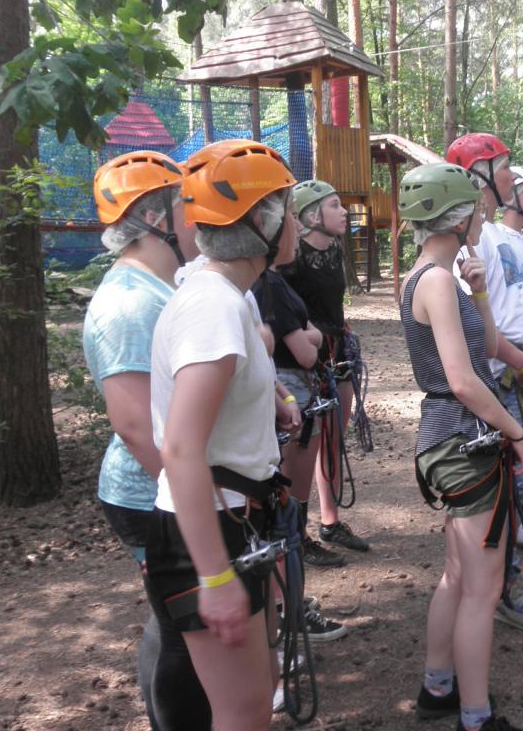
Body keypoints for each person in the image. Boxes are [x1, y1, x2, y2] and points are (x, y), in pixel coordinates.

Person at [144, 139, 297, 731]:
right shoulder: (213, 306)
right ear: (262, 221)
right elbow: (180, 447)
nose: (296, 222)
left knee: (252, 702)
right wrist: (214, 575)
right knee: (243, 713)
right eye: (288, 209)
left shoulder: (224, 297)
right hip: (210, 531)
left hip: (229, 519)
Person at [398, 162, 523, 731]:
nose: (482, 216)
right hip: (463, 439)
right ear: (455, 218)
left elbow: (487, 346)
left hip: (449, 438)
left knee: (457, 575)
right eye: (475, 209)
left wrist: (479, 291)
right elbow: (463, 380)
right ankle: (476, 717)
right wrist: (516, 433)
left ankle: (438, 688)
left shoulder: (434, 278)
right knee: (482, 587)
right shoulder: (433, 281)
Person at [82, 151, 210, 730]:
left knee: (175, 619)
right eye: (188, 203)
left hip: (168, 486)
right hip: (150, 492)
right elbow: (136, 425)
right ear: (157, 217)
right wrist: (195, 503)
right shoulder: (130, 303)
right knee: (184, 626)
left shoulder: (162, 284)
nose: (198, 215)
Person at [446, 134, 523, 636]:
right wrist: (520, 361)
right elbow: (478, 326)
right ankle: (501, 588)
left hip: (508, 373)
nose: (512, 174)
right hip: (489, 381)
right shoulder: (470, 242)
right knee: (499, 488)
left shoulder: (493, 234)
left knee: (509, 484)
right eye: (505, 165)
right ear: (480, 175)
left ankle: (496, 584)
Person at [253, 187, 349, 643]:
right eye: (289, 216)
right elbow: (307, 349)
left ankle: (286, 605)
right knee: (287, 507)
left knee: (287, 506)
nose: (293, 223)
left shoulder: (273, 283)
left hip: (296, 389)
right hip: (294, 390)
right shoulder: (272, 284)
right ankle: (287, 611)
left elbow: (309, 331)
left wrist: (313, 335)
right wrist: (313, 338)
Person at [280, 179, 369, 564]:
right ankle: (293, 532)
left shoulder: (334, 250)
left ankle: (330, 521)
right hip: (304, 360)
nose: (344, 211)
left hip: (336, 351)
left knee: (334, 440)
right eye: (334, 205)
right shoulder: (290, 258)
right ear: (312, 215)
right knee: (304, 446)